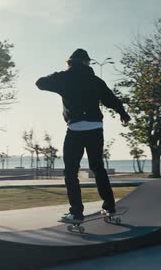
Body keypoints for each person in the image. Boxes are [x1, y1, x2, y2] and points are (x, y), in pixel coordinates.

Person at [36, 48, 131, 223]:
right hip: (96, 127)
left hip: (76, 129)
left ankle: (76, 212)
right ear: (87, 63)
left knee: (71, 171)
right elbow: (111, 99)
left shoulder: (64, 78)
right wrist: (123, 114)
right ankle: (109, 205)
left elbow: (40, 83)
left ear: (70, 63)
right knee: (97, 167)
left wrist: (61, 75)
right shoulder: (96, 81)